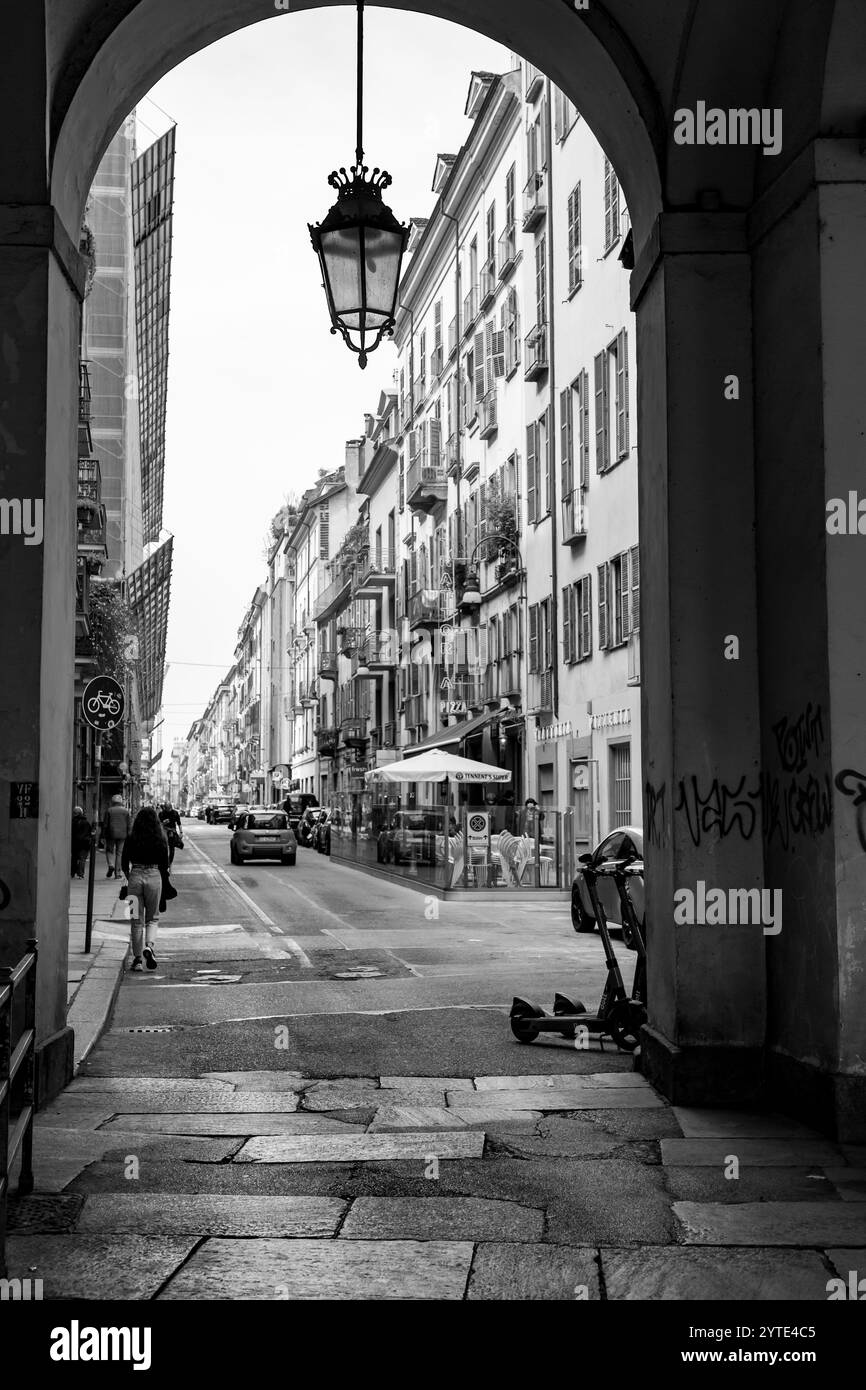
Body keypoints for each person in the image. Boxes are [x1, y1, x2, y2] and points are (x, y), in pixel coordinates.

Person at [121, 806, 170, 972]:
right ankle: (149, 947)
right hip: (154, 875)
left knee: (135, 920)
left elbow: (123, 862)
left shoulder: (131, 837)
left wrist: (131, 877)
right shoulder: (160, 838)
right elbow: (165, 863)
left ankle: (137, 960)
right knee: (153, 918)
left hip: (135, 876)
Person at [102, 794, 132, 879]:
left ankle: (111, 865)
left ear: (112, 801)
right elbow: (129, 825)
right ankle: (117, 873)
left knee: (109, 850)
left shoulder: (109, 810)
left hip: (110, 834)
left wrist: (103, 836)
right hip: (123, 835)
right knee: (119, 853)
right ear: (121, 802)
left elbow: (105, 825)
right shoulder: (126, 811)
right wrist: (129, 835)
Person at [70, 806, 92, 878]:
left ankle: (72, 873)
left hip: (74, 843)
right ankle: (80, 874)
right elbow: (89, 832)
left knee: (74, 858)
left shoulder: (72, 822)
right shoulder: (86, 822)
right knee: (82, 858)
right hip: (84, 843)